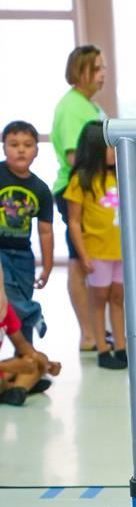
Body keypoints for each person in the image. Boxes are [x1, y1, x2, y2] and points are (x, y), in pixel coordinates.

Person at [50, 44, 107, 350]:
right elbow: (77, 157)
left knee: (98, 258)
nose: (102, 75)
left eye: (103, 68)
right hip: (77, 189)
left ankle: (98, 329)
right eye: (97, 69)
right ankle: (87, 333)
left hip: (96, 189)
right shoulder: (72, 107)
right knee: (79, 260)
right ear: (79, 70)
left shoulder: (91, 106)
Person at [62, 121, 126, 371]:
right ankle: (102, 347)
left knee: (118, 299)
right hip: (97, 252)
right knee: (98, 299)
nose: (113, 152)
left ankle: (121, 346)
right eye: (108, 147)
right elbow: (74, 222)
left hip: (120, 252)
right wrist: (83, 254)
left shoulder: (120, 176)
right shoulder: (81, 180)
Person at [0, 120, 53, 345]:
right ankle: (33, 314)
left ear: (36, 151)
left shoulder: (40, 189)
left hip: (23, 255)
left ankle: (28, 362)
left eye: (27, 144)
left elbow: (45, 231)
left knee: (21, 297)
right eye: (14, 144)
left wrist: (48, 265)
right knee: (7, 295)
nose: (21, 149)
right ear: (3, 147)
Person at [0, 262, 61, 407]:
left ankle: (15, 391)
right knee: (25, 364)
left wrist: (47, 364)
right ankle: (14, 388)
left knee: (37, 360)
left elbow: (22, 345)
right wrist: (9, 367)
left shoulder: (5, 310)